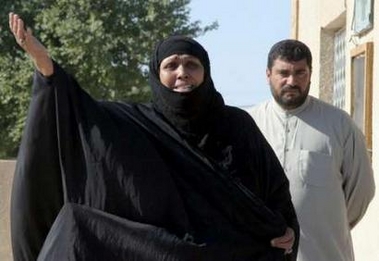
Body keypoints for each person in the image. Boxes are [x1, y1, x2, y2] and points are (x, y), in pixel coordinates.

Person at [9, 12, 299, 261]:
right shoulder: (140, 125)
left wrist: (286, 230)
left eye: (192, 65)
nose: (182, 73)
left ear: (206, 72)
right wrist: (46, 66)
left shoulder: (237, 125)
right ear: (157, 75)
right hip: (165, 252)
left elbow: (275, 191)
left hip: (234, 254)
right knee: (75, 228)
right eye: (171, 65)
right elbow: (82, 115)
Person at [249, 39, 375, 261]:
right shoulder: (248, 125)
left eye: (300, 72)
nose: (292, 81)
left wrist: (328, 224)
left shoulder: (339, 124)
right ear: (268, 74)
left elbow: (361, 191)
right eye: (283, 73)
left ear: (310, 73)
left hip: (324, 253)